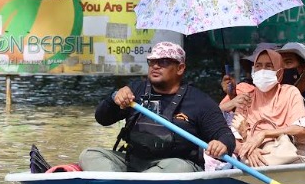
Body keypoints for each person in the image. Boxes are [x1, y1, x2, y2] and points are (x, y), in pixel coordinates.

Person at [79, 42, 235, 173]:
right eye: (152, 62)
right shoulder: (135, 91)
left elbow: (226, 135)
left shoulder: (200, 101)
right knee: (90, 154)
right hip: (133, 163)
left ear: (180, 68)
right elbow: (102, 119)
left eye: (164, 62)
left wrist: (221, 144)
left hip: (174, 166)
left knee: (179, 168)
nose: (155, 66)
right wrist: (114, 98)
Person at [232, 48, 305, 167]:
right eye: (258, 66)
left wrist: (264, 133)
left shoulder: (290, 92)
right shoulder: (246, 99)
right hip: (255, 161)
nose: (262, 71)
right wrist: (248, 149)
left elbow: (302, 130)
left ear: (279, 72)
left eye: (269, 66)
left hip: (292, 161)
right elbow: (233, 137)